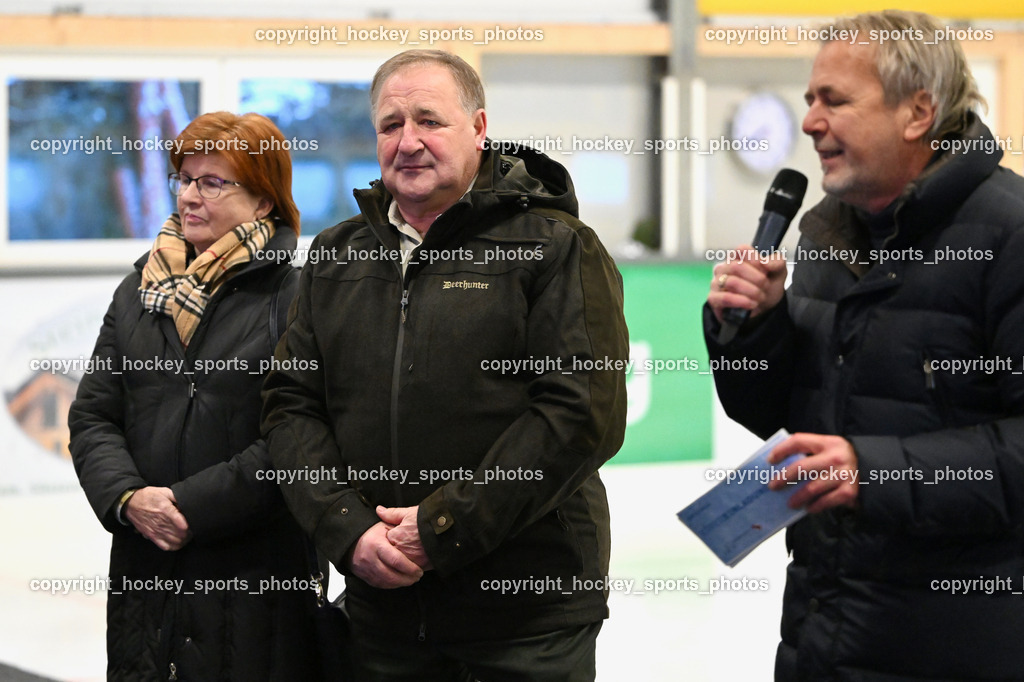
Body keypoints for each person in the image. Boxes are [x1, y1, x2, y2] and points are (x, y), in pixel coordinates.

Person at [262, 49, 628, 681]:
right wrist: (347, 529)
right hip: (382, 615)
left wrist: (442, 529)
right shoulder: (337, 255)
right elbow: (291, 404)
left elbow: (581, 415)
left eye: (429, 120)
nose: (408, 142)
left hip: (525, 621)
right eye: (390, 125)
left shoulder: (554, 246)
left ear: (479, 128)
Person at [704, 10, 1024, 681]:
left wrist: (873, 472)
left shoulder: (1010, 234)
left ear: (917, 113)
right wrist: (758, 328)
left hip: (958, 646)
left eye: (835, 100)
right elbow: (782, 415)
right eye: (809, 100)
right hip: (824, 635)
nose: (810, 122)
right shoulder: (832, 234)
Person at [69, 112, 319, 681]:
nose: (188, 196)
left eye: (212, 182)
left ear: (263, 201)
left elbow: (302, 433)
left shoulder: (297, 296)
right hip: (145, 579)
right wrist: (129, 498)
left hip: (257, 586)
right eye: (183, 179)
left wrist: (188, 507)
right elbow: (93, 417)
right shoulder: (136, 293)